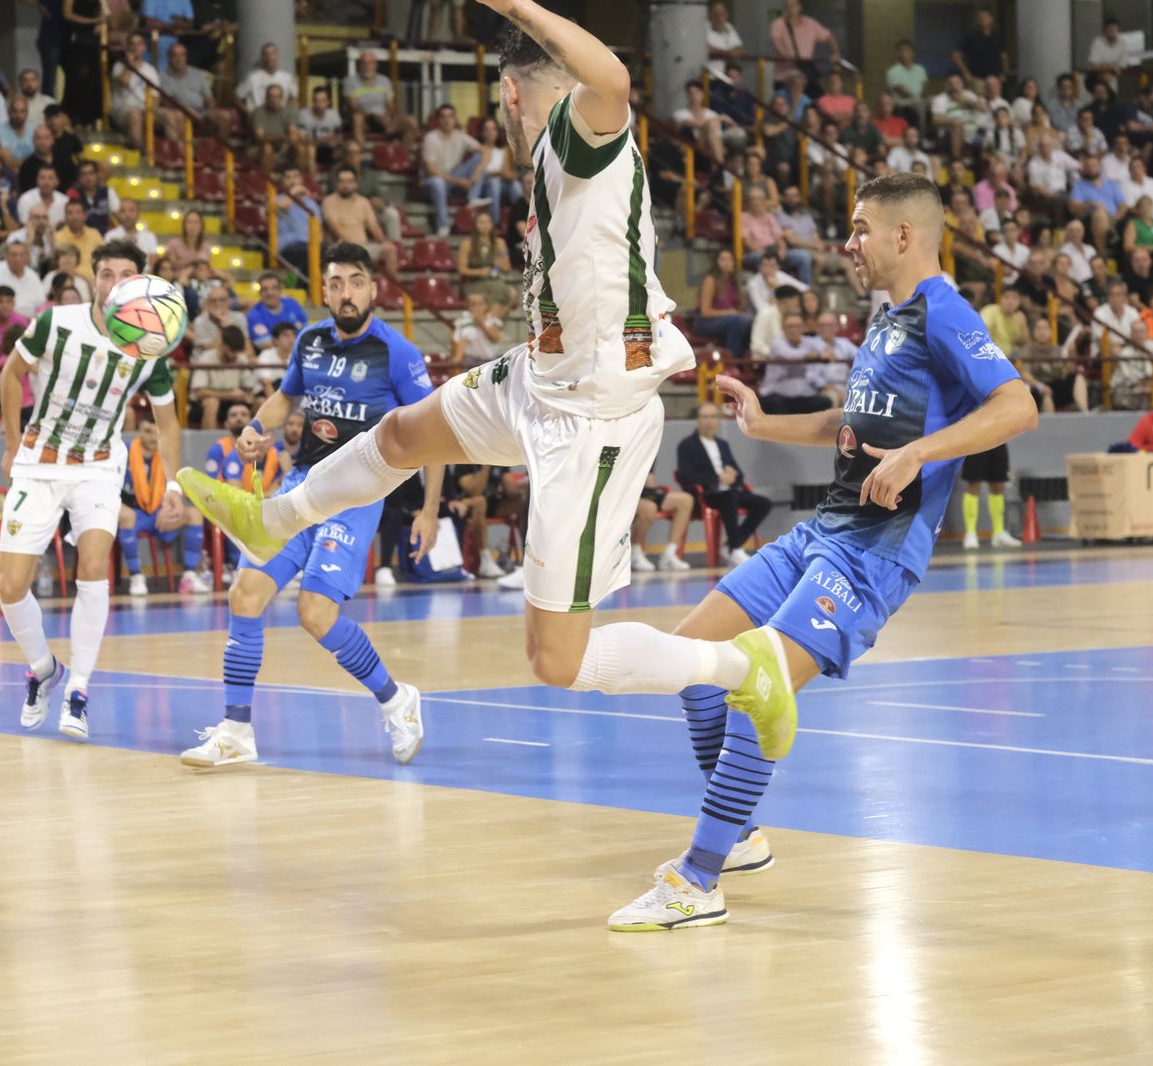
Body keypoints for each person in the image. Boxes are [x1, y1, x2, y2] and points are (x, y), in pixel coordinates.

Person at [181, 3, 814, 770]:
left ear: (509, 95)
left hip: (591, 416)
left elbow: (612, 78)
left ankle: (747, 669)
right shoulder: (555, 156)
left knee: (555, 660)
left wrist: (517, 7)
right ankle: (273, 519)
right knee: (399, 435)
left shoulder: (578, 132)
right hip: (537, 380)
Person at [609, 171, 1038, 929]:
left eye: (862, 228)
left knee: (757, 686)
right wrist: (765, 420)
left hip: (874, 554)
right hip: (820, 535)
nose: (848, 243)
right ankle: (736, 833)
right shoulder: (884, 320)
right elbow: (850, 422)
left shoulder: (945, 312)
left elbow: (1018, 405)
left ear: (905, 235)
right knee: (690, 660)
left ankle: (698, 880)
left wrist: (918, 456)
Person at [179, 243, 442, 769]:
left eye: (356, 282)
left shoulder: (398, 354)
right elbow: (285, 396)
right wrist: (256, 428)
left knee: (315, 612)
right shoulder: (310, 340)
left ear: (373, 290)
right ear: (325, 290)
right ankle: (236, 731)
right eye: (337, 282)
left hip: (358, 494)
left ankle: (396, 699)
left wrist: (429, 509)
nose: (346, 293)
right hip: (301, 484)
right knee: (246, 592)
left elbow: (431, 432)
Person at [0, 240, 185, 742]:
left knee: (94, 565)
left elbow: (167, 425)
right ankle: (42, 669)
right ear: (93, 278)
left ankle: (78, 689)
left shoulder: (151, 347)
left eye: (126, 274)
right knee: (11, 587)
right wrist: (13, 444)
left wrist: (173, 484)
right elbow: (11, 375)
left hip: (99, 467)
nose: (114, 283)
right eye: (106, 273)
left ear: (141, 284)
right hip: (38, 463)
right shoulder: (55, 323)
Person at [117, 417, 209, 596]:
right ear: (138, 433)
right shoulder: (124, 452)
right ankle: (136, 576)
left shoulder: (168, 454)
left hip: (160, 513)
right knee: (126, 515)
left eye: (157, 433)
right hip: (134, 513)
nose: (152, 437)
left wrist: (169, 508)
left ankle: (189, 575)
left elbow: (177, 486)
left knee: (194, 514)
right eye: (147, 431)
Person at [675, 402, 773, 569]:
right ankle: (735, 549)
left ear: (719, 421)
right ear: (697, 420)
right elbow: (685, 475)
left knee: (763, 503)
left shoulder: (722, 444)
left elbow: (739, 474)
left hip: (729, 491)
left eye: (713, 417)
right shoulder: (687, 445)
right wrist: (717, 478)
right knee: (729, 498)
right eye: (704, 417)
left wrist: (732, 477)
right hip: (707, 494)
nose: (709, 421)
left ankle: (731, 544)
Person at [420, 103, 481, 237]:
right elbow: (431, 169)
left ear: (455, 119)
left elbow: (485, 151)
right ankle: (443, 226)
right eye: (443, 117)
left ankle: (473, 197)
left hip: (453, 178)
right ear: (438, 120)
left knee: (479, 157)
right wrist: (459, 182)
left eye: (450, 116)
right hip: (433, 181)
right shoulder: (431, 138)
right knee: (438, 182)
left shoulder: (460, 136)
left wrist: (474, 177)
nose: (447, 120)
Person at [958, 441, 1021, 551]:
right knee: (974, 483)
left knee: (998, 484)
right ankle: (970, 533)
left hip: (998, 439)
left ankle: (998, 533)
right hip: (976, 440)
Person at [694, 248, 753, 361]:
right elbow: (705, 311)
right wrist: (729, 313)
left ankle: (746, 358)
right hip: (706, 322)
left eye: (729, 259)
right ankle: (732, 359)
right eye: (723, 259)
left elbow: (738, 308)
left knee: (748, 321)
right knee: (738, 321)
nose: (726, 263)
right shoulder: (710, 280)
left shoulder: (734, 282)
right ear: (716, 262)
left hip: (729, 321)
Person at [630, 472, 693, 573]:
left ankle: (669, 554)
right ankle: (635, 553)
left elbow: (649, 478)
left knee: (685, 500)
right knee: (649, 508)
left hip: (645, 492)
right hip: (625, 493)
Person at [452, 290, 504, 366]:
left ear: (486, 306)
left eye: (480, 304)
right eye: (473, 304)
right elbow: (463, 340)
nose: (477, 307)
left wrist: (481, 323)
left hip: (490, 360)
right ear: (469, 307)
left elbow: (494, 338)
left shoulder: (492, 320)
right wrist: (458, 357)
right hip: (471, 360)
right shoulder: (465, 321)